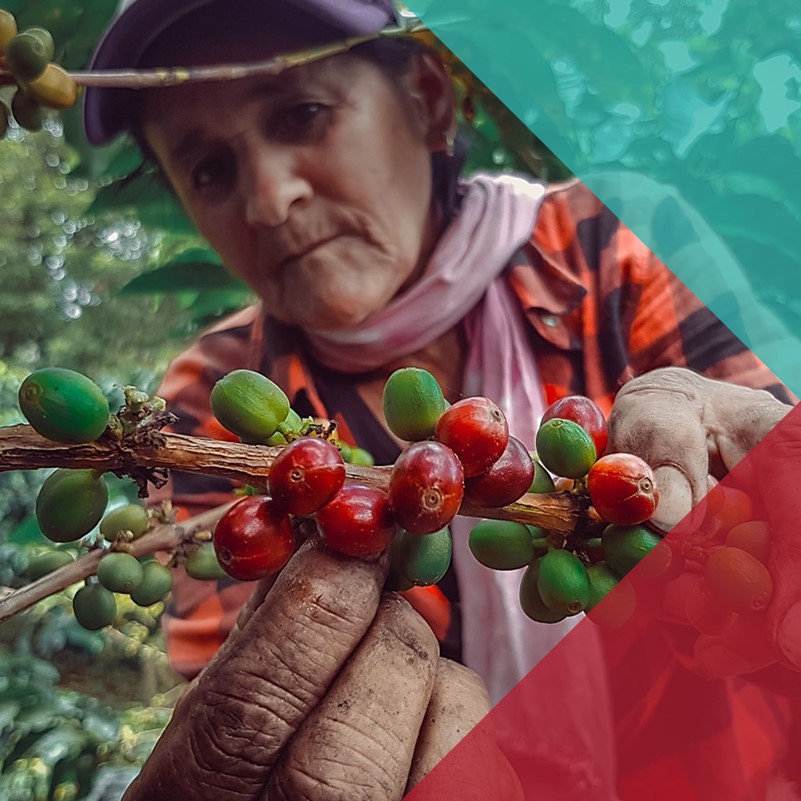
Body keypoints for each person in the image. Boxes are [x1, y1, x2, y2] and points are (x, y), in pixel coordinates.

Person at [82, 1, 800, 798]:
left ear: (426, 99)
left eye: (302, 114)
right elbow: (258, 694)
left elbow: (767, 500)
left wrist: (738, 444)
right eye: (211, 170)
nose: (268, 200)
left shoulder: (612, 239)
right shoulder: (205, 399)